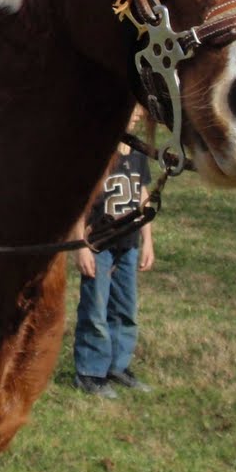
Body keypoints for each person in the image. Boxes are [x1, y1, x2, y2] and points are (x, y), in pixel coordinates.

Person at [72, 123, 155, 398]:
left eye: (136, 111)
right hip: (98, 244)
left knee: (125, 308)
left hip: (128, 244)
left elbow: (142, 194)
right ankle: (90, 372)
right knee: (96, 309)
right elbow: (79, 199)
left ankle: (117, 366)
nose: (132, 116)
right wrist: (80, 246)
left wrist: (147, 240)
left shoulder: (138, 152)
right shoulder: (97, 151)